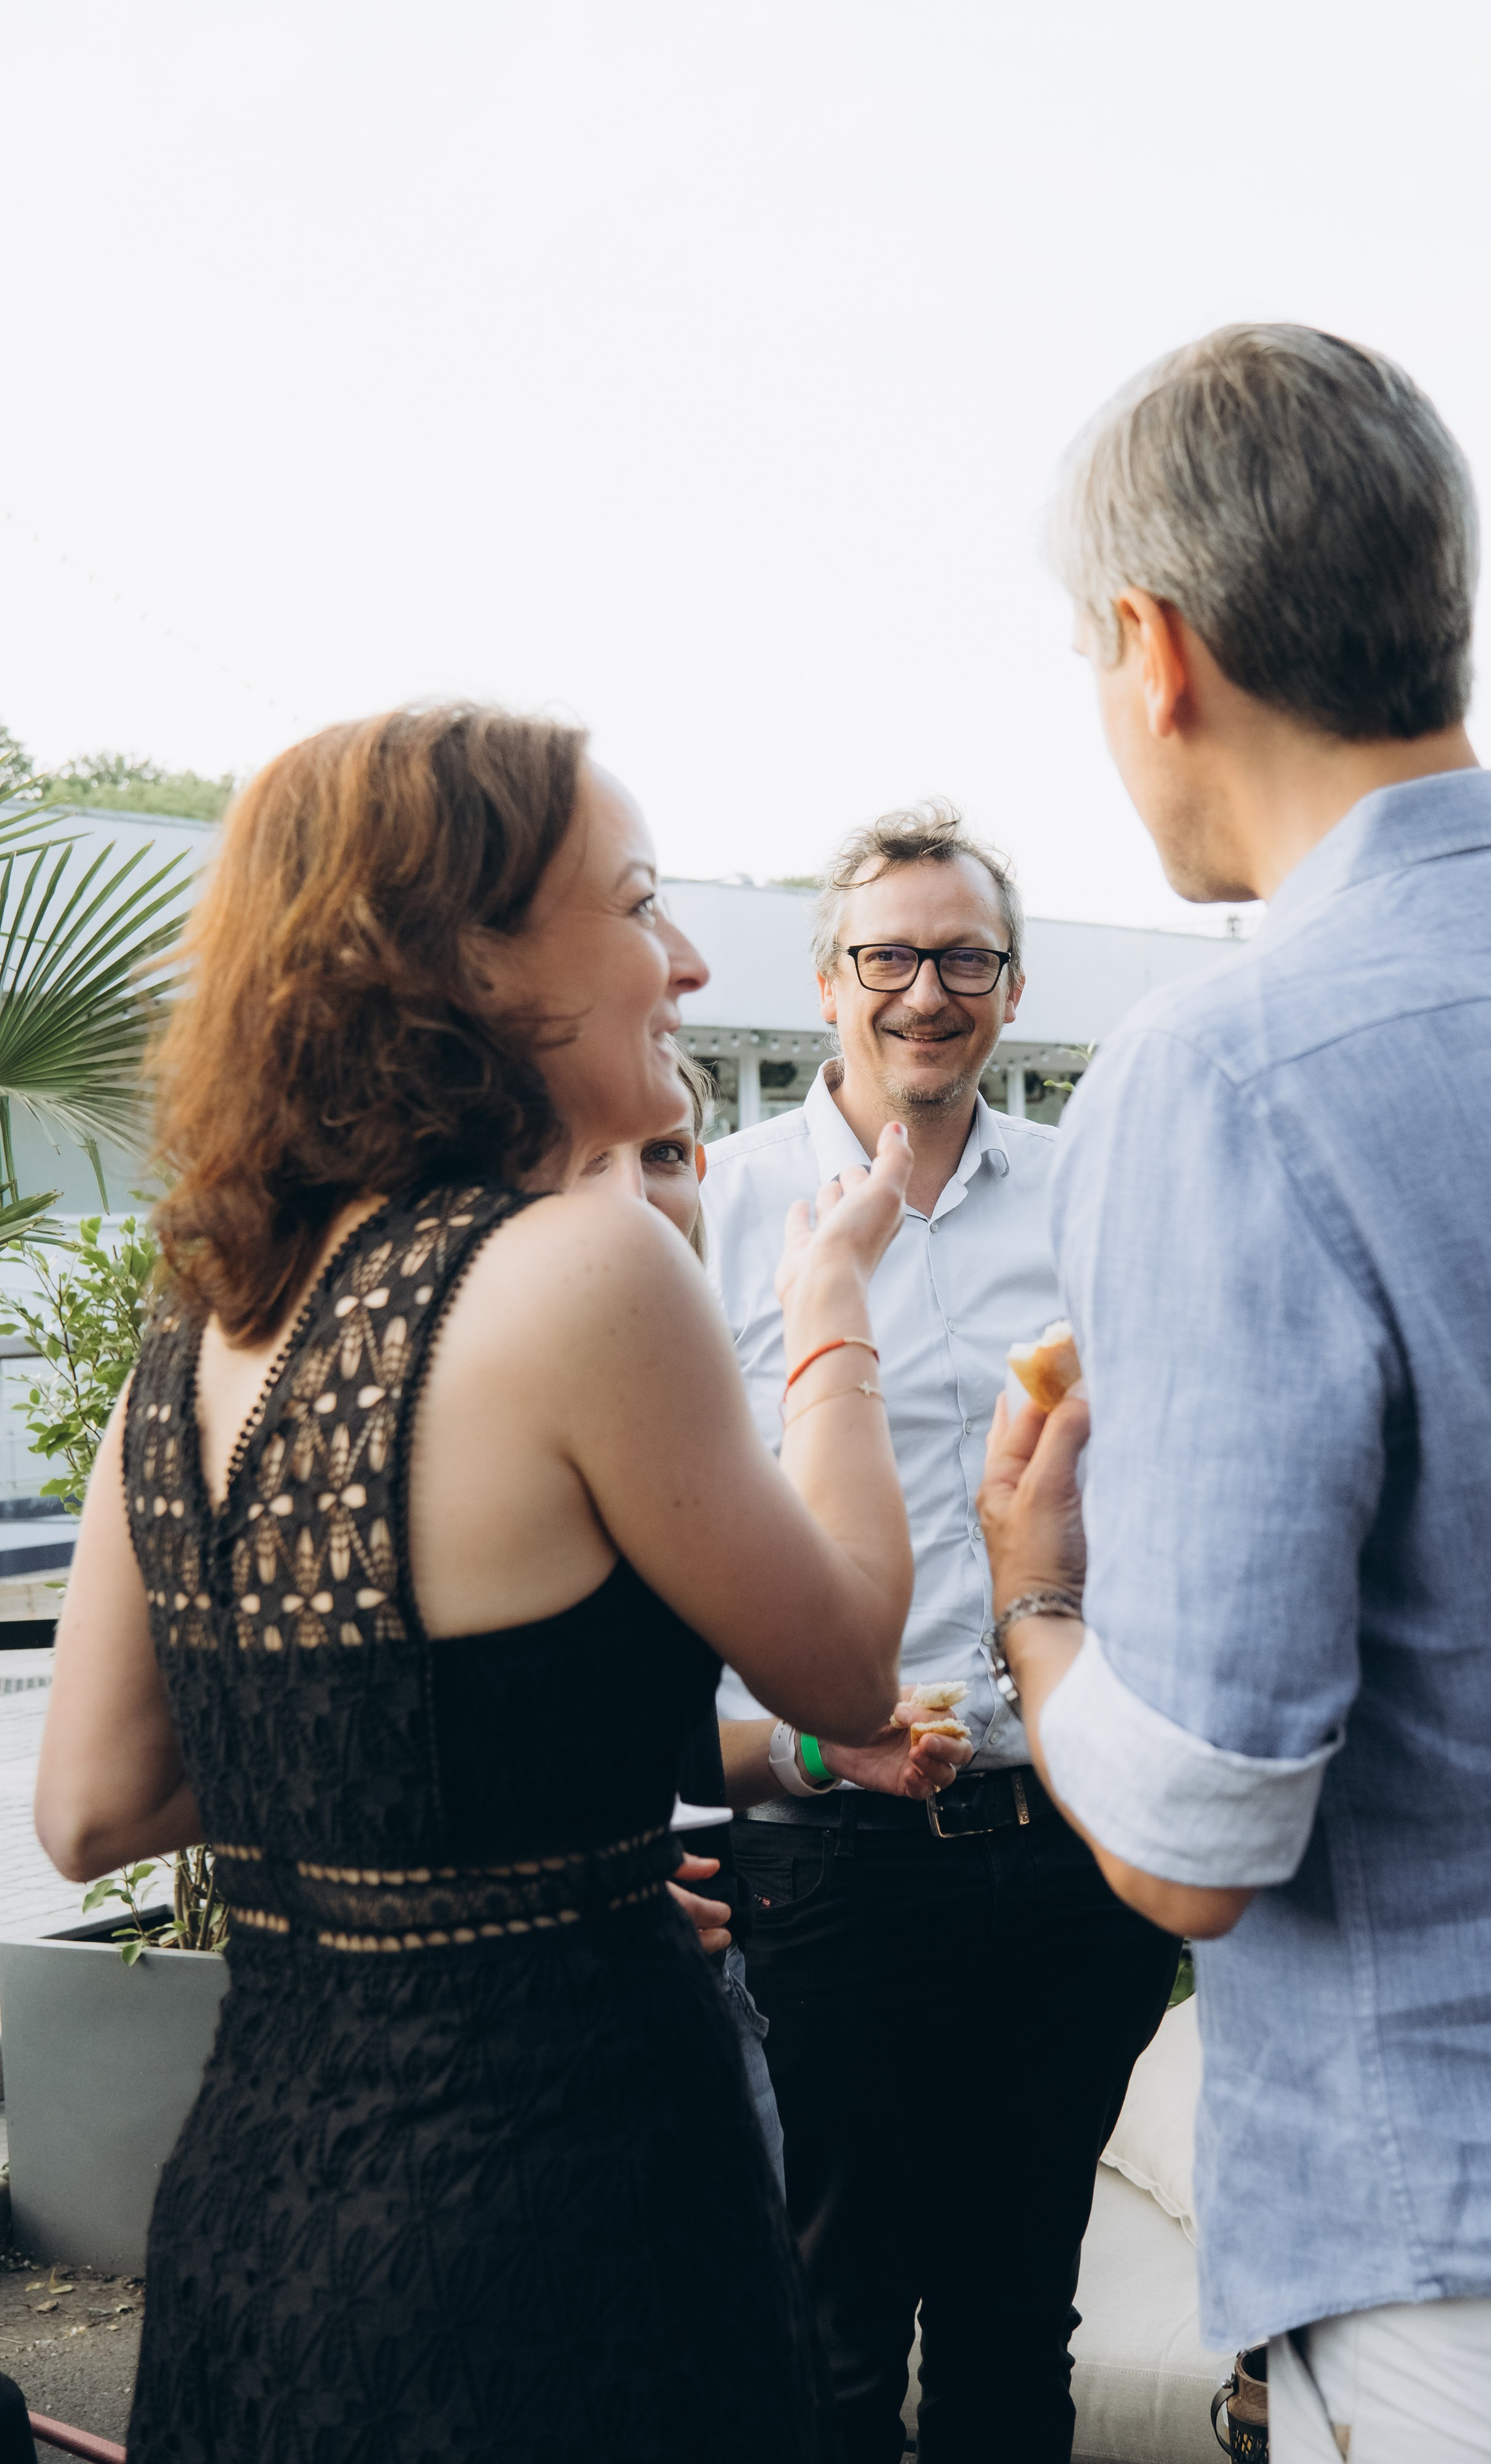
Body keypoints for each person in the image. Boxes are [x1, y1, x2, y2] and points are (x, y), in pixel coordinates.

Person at [34, 705, 919, 2462]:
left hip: (261, 2225)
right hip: (563, 2224)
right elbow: (846, 1668)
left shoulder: (199, 1328)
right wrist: (831, 1315)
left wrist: (476, 1841)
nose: (687, 961)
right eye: (640, 901)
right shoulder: (588, 1263)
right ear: (464, 961)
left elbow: (91, 1808)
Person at [978, 324, 1491, 2461]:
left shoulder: (1225, 1071)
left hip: (1490, 2278)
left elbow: (1199, 1834)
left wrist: (1041, 1599)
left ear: (1154, 648)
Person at [701, 807, 1180, 2464]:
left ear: (1013, 985)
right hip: (824, 1851)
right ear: (826, 983)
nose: (926, 991)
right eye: (889, 956)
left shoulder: (1091, 1198)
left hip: (1061, 1840)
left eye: (963, 957)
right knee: (827, 2329)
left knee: (1014, 2318)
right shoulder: (720, 1207)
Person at [576, 1050, 787, 2192]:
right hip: (546, 2025)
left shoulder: (662, 1407)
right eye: (584, 1157)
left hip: (707, 1987)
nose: (631, 1193)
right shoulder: (467, 1421)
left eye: (661, 1154)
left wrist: (815, 1754)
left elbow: (661, 1754)